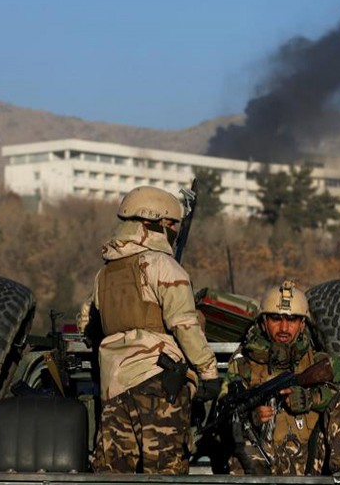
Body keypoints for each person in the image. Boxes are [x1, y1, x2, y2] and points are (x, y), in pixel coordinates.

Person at [78, 186, 220, 474]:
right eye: (170, 224)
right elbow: (185, 324)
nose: (173, 231)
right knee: (165, 475)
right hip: (159, 383)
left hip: (112, 389)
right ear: (150, 222)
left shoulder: (103, 275)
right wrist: (208, 373)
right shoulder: (163, 265)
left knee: (111, 476)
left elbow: (87, 326)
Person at [221, 279, 340, 476]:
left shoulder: (317, 360)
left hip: (312, 460)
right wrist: (252, 417)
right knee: (239, 430)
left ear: (302, 324)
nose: (284, 328)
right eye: (276, 318)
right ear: (264, 322)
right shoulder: (243, 362)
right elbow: (223, 410)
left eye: (292, 320)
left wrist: (311, 398)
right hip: (263, 462)